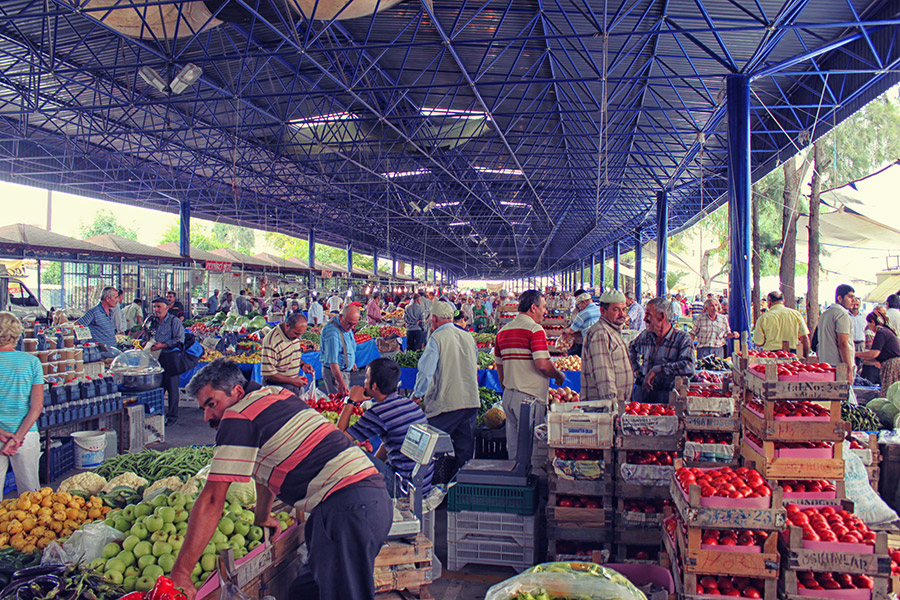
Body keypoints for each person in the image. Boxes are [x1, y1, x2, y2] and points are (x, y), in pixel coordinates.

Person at [172, 359, 391, 600]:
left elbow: (213, 499)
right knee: (304, 592)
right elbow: (266, 467)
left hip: (347, 509)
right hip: (358, 503)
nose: (207, 417)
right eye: (203, 408)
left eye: (211, 404)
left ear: (237, 392)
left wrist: (181, 571)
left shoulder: (237, 416)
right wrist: (262, 516)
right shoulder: (276, 394)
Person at [338, 359, 433, 496]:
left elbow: (338, 439)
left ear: (374, 386)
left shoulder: (379, 412)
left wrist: (351, 401)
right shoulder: (408, 403)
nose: (364, 382)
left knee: (348, 452)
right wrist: (376, 464)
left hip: (403, 488)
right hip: (421, 485)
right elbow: (388, 443)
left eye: (366, 378)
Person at [494, 290, 565, 464]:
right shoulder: (535, 330)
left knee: (515, 451)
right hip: (529, 398)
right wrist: (558, 375)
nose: (545, 311)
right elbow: (542, 364)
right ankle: (531, 488)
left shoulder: (503, 332)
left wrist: (507, 390)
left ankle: (515, 487)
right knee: (533, 453)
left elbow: (500, 368)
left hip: (509, 397)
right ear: (533, 308)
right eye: (543, 307)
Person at [412, 301, 479, 476]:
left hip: (446, 403)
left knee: (433, 450)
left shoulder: (437, 339)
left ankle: (432, 489)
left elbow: (426, 372)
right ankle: (459, 489)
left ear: (434, 319)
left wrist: (417, 395)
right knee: (464, 452)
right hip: (471, 401)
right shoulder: (468, 336)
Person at [0, 312, 43, 493]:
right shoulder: (32, 362)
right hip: (26, 436)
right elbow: (36, 407)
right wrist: (17, 437)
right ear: (18, 334)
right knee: (31, 496)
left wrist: (2, 433)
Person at [629, 296, 695, 403]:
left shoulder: (682, 339)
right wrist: (637, 371)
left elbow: (689, 367)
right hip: (643, 394)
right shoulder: (646, 336)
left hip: (667, 396)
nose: (644, 319)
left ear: (661, 316)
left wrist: (658, 370)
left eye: (648, 315)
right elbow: (631, 348)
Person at [580, 290, 634, 405]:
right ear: (603, 311)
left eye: (624, 309)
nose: (622, 314)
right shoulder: (601, 333)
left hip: (617, 406)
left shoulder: (612, 330)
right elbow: (603, 376)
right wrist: (612, 405)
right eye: (616, 309)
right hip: (605, 409)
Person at [143, 297, 187, 425]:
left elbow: (179, 340)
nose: (156, 309)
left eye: (159, 307)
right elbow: (148, 335)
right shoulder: (153, 321)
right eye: (155, 307)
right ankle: (157, 414)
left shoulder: (174, 322)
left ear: (167, 307)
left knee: (172, 388)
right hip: (156, 359)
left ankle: (172, 416)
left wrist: (163, 345)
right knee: (157, 386)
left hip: (171, 359)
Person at [260, 312, 316, 396]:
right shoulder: (272, 341)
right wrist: (292, 381)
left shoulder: (292, 335)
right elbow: (268, 374)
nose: (298, 337)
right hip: (277, 388)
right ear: (287, 326)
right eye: (296, 333)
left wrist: (302, 364)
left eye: (301, 334)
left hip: (293, 384)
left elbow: (291, 354)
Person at [816, 284, 856, 381]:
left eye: (854, 297)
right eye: (850, 297)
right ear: (840, 298)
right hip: (839, 366)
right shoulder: (842, 315)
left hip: (825, 363)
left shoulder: (826, 314)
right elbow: (843, 343)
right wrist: (849, 368)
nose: (853, 301)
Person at [752, 291, 811, 356]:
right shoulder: (796, 314)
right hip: (792, 354)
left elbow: (758, 342)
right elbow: (804, 337)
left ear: (769, 302)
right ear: (783, 301)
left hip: (771, 355)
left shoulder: (763, 318)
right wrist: (805, 356)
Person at [321, 305, 360, 396]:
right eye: (350, 323)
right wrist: (340, 382)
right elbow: (333, 362)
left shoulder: (345, 326)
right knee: (340, 403)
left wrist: (350, 362)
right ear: (341, 317)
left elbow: (348, 345)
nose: (352, 327)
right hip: (336, 374)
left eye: (354, 324)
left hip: (343, 371)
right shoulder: (332, 333)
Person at [856, 315, 900, 395]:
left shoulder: (881, 332)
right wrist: (864, 358)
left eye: (868, 323)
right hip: (892, 363)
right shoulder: (885, 331)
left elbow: (874, 353)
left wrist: (855, 354)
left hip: (892, 366)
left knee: (889, 392)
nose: (868, 326)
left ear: (872, 322)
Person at [562, 291, 601, 357]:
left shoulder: (582, 314)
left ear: (584, 302)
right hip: (601, 342)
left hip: (589, 343)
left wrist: (563, 332)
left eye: (579, 305)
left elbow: (571, 330)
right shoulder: (600, 309)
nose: (580, 307)